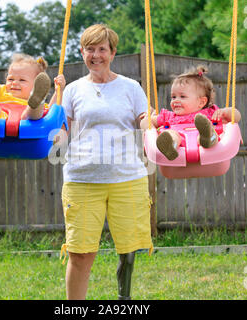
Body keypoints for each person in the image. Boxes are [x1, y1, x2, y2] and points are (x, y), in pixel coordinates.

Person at [60, 24, 153, 300]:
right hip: (82, 178)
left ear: (113, 53)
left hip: (128, 177)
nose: (96, 55)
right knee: (80, 254)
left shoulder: (131, 87)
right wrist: (49, 135)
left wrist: (153, 127)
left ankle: (124, 300)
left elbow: (143, 119)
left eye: (102, 49)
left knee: (129, 250)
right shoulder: (73, 90)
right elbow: (62, 128)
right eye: (90, 49)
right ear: (82, 52)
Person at [141, 65, 242, 160]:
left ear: (201, 102)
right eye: (173, 97)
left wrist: (225, 112)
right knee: (171, 134)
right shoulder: (168, 116)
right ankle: (170, 147)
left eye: (182, 96)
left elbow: (236, 117)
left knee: (204, 135)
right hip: (180, 150)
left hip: (207, 150)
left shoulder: (211, 113)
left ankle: (208, 137)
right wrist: (147, 119)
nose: (176, 100)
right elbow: (147, 123)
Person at [0, 47, 66, 120]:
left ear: (35, 85)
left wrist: (59, 91)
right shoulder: (2, 92)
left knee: (35, 113)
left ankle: (36, 103)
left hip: (28, 126)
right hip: (0, 121)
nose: (14, 83)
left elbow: (53, 112)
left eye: (22, 80)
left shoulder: (33, 100)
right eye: (10, 79)